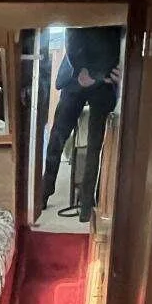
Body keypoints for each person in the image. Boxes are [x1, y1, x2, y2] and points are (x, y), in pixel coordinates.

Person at [40, 25, 123, 225]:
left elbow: (119, 42)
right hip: (77, 76)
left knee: (95, 144)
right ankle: (44, 192)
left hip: (104, 79)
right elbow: (72, 35)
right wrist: (85, 71)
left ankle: (86, 205)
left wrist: (99, 74)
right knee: (58, 136)